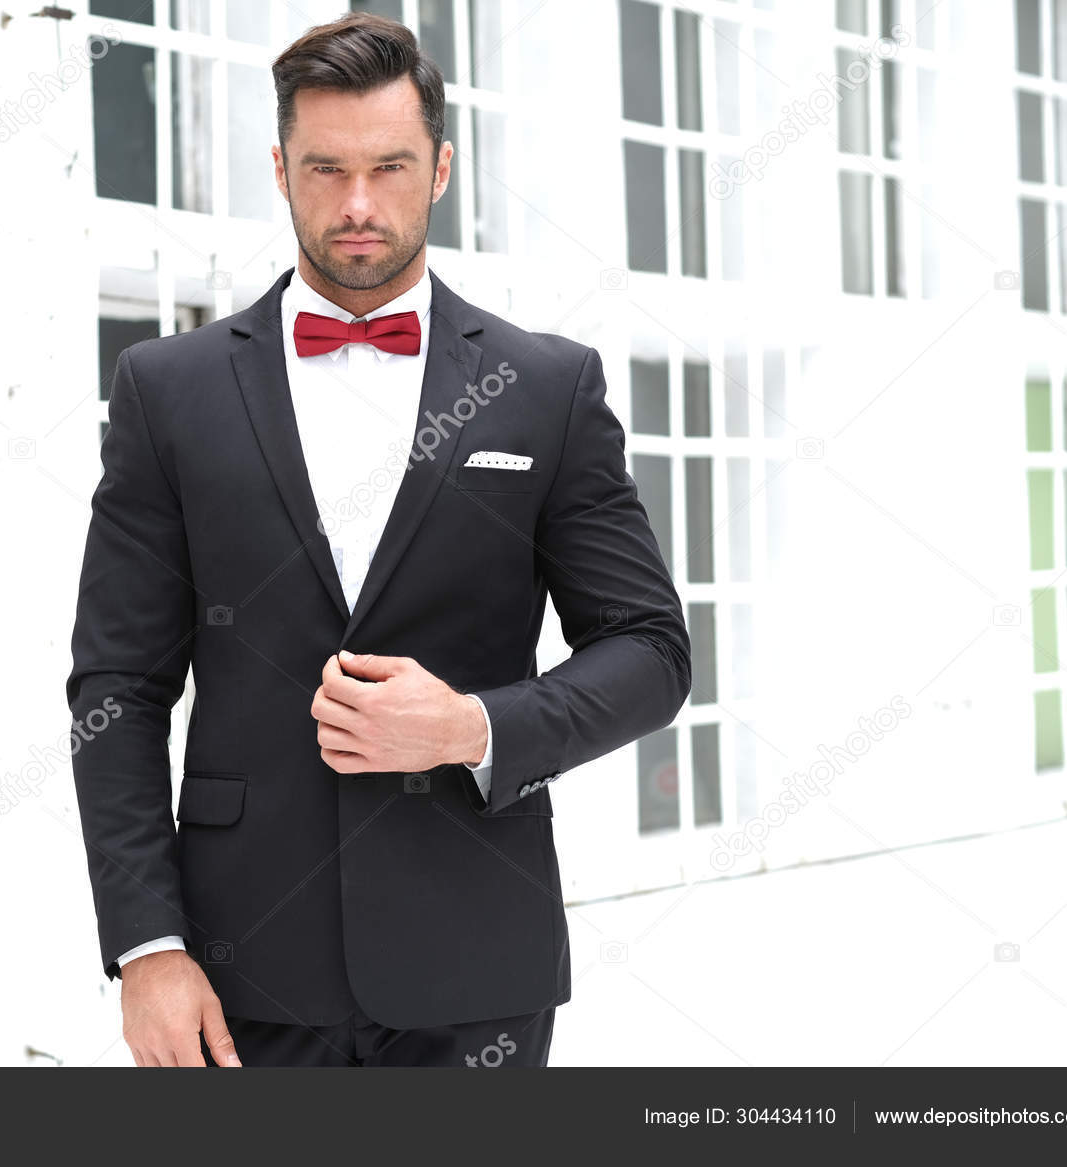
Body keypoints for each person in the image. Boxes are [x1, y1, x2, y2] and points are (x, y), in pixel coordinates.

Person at [67, 10, 690, 1068]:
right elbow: (116, 688)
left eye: (390, 167)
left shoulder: (546, 390)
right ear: (279, 169)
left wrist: (472, 727)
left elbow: (650, 653)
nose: (358, 206)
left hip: (474, 966)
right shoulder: (166, 391)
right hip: (234, 974)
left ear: (441, 168)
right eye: (325, 170)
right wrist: (148, 947)